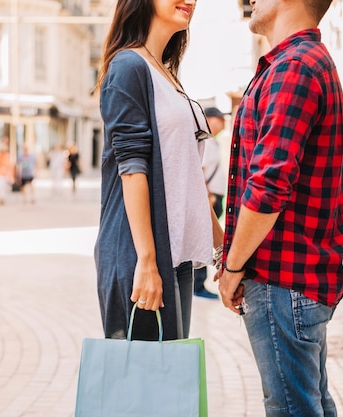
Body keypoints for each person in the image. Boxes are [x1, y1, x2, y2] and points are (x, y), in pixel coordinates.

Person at [215, 0, 343, 416]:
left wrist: (232, 267)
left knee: (292, 410)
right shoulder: (301, 62)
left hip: (282, 283)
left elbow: (269, 185)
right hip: (293, 282)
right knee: (311, 406)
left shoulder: (295, 67)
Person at [95, 0, 224, 341]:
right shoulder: (127, 67)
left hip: (175, 256)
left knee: (169, 381)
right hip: (141, 256)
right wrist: (147, 261)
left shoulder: (165, 74)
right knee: (143, 384)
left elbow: (189, 177)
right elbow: (132, 168)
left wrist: (221, 249)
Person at [193, 106, 227, 299]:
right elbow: (199, 170)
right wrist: (207, 195)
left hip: (213, 197)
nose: (223, 124)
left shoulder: (213, 141)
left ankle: (199, 283)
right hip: (208, 198)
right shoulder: (203, 139)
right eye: (220, 120)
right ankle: (198, 284)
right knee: (204, 241)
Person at [0, 138, 14, 205]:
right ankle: (1, 198)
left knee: (4, 187)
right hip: (0, 173)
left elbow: (10, 165)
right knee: (1, 186)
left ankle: (2, 197)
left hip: (6, 174)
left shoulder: (7, 156)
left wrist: (11, 174)